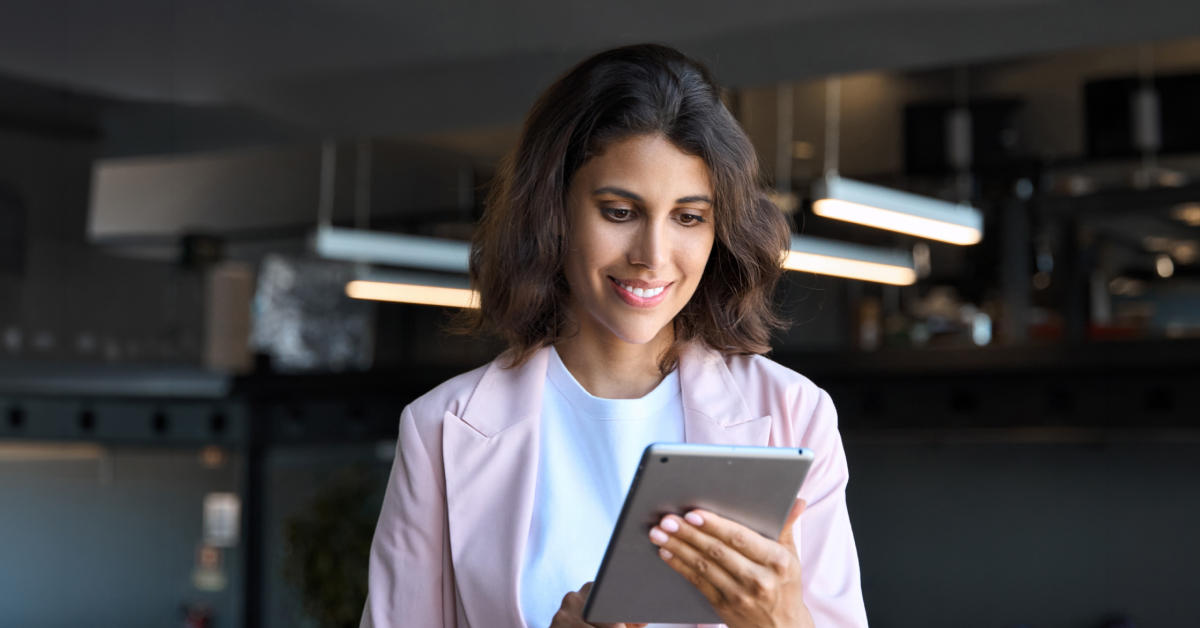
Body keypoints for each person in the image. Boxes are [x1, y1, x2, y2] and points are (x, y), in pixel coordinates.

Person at [361, 44, 868, 628]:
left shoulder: (794, 415)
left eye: (688, 217)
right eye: (620, 211)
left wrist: (782, 622)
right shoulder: (439, 432)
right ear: (553, 211)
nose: (653, 257)